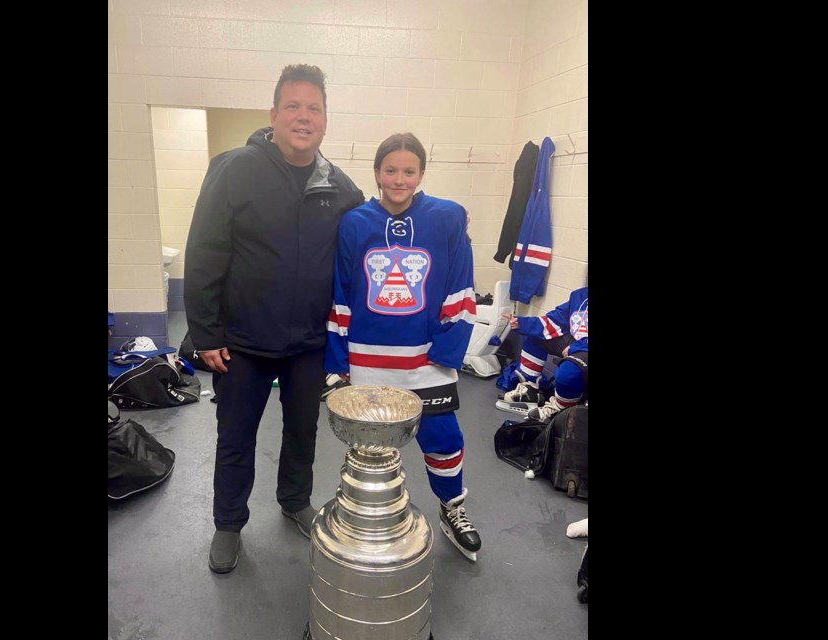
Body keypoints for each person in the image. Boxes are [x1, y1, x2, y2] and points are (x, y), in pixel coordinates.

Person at [183, 64, 365, 574]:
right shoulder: (234, 168)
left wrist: (432, 218)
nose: (304, 117)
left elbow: (373, 229)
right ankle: (227, 524)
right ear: (274, 114)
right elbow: (204, 251)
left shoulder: (337, 185)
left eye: (314, 109)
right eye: (294, 106)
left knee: (302, 431)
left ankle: (294, 500)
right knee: (236, 436)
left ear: (325, 120)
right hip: (241, 341)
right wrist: (206, 333)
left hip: (308, 342)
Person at [324, 132, 483, 561]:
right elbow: (341, 291)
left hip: (425, 358)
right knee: (371, 449)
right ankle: (372, 517)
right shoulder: (355, 222)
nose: (399, 179)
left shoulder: (447, 217)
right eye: (390, 170)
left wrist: (447, 351)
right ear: (376, 173)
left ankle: (453, 509)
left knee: (444, 437)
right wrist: (336, 364)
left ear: (421, 174)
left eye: (408, 171)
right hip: (367, 360)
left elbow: (460, 286)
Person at [500, 285, 588, 422]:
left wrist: (575, 347)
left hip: (583, 347)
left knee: (568, 372)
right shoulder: (580, 295)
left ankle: (561, 410)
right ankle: (530, 391)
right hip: (578, 344)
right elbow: (555, 320)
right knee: (535, 336)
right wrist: (522, 323)